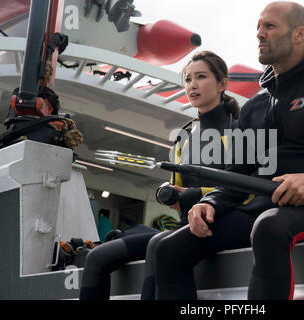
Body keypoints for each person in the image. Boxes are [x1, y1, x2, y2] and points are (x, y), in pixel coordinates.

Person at [151, 1, 304, 300]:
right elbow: (238, 175)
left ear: (300, 34)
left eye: (270, 26)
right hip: (261, 209)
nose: (259, 34)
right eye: (258, 27)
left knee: (269, 227)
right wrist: (211, 201)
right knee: (168, 249)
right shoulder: (255, 107)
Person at [79, 50, 239, 300]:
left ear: (222, 84)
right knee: (96, 257)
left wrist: (194, 195)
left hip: (219, 225)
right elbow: (177, 193)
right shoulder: (184, 136)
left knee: (157, 245)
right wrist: (168, 194)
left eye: (201, 77)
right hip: (183, 225)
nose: (192, 85)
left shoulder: (238, 130)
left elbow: (240, 189)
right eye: (187, 79)